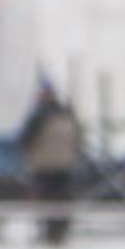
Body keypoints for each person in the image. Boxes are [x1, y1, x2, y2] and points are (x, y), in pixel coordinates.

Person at [19, 82, 85, 240]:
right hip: (66, 165)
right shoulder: (68, 114)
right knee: (62, 199)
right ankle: (60, 230)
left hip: (43, 166)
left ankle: (48, 231)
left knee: (45, 199)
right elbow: (79, 139)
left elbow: (25, 140)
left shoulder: (39, 116)